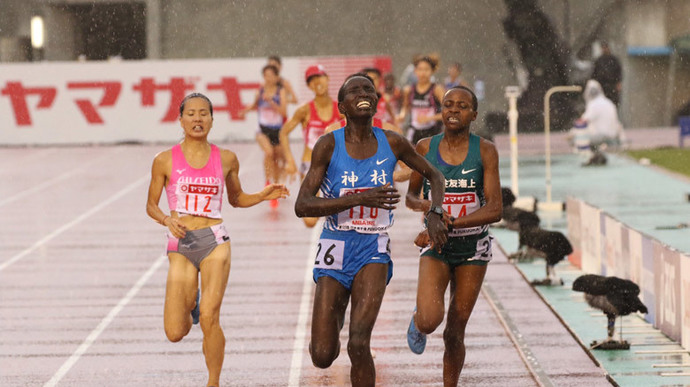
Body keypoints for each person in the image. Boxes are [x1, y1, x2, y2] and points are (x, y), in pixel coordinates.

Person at [294, 73, 448, 387]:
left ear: (377, 102)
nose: (364, 93)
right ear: (342, 107)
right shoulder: (327, 145)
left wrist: (434, 211)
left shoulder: (391, 142)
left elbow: (435, 175)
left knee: (359, 343)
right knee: (322, 354)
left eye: (369, 89)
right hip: (335, 245)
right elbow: (303, 205)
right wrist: (362, 197)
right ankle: (332, 323)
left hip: (372, 249)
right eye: (355, 91)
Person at [145, 93, 289, 387]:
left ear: (212, 119)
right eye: (191, 114)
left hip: (215, 241)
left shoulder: (226, 158)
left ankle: (213, 382)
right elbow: (151, 205)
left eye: (204, 114)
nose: (197, 119)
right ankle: (190, 303)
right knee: (175, 332)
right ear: (181, 119)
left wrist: (262, 195)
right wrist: (166, 220)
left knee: (210, 317)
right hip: (182, 244)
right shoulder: (163, 160)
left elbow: (236, 199)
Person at [405, 86, 502, 386]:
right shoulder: (424, 148)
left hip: (473, 247)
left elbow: (496, 208)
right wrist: (430, 209)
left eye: (462, 106)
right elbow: (410, 197)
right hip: (437, 245)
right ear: (441, 110)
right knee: (430, 320)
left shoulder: (485, 150)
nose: (454, 110)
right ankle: (418, 318)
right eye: (448, 105)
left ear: (474, 114)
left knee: (454, 331)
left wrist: (449, 223)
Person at [280, 64, 343, 227]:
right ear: (309, 86)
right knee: (309, 220)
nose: (317, 82)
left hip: (337, 166)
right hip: (311, 166)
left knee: (343, 217)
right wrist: (289, 160)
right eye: (312, 80)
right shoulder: (304, 110)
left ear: (328, 79)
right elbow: (283, 132)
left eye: (320, 77)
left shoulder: (341, 109)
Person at [239, 64, 288, 207]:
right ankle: (268, 181)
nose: (268, 78)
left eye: (271, 75)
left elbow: (284, 112)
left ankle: (276, 185)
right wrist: (245, 111)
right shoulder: (260, 91)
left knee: (278, 158)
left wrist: (271, 102)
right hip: (262, 129)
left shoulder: (281, 91)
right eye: (266, 75)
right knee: (269, 152)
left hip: (277, 130)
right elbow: (254, 105)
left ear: (276, 77)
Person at [570, 79, 625, 166]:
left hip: (602, 135)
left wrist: (572, 132)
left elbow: (582, 121)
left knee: (577, 139)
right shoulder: (608, 102)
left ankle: (596, 156)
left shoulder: (594, 105)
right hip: (613, 135)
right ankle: (598, 156)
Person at [397, 56, 446, 145]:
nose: (423, 73)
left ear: (432, 71)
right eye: (420, 69)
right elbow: (405, 108)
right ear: (415, 71)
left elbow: (447, 112)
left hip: (433, 132)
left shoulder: (437, 89)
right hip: (414, 132)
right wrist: (401, 116)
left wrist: (429, 118)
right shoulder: (408, 90)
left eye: (426, 69)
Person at [591, 41, 622, 107]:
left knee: (612, 104)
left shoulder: (614, 60)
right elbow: (594, 73)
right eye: (603, 48)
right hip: (602, 86)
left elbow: (618, 72)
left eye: (606, 47)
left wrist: (618, 83)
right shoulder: (599, 61)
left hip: (612, 86)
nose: (604, 49)